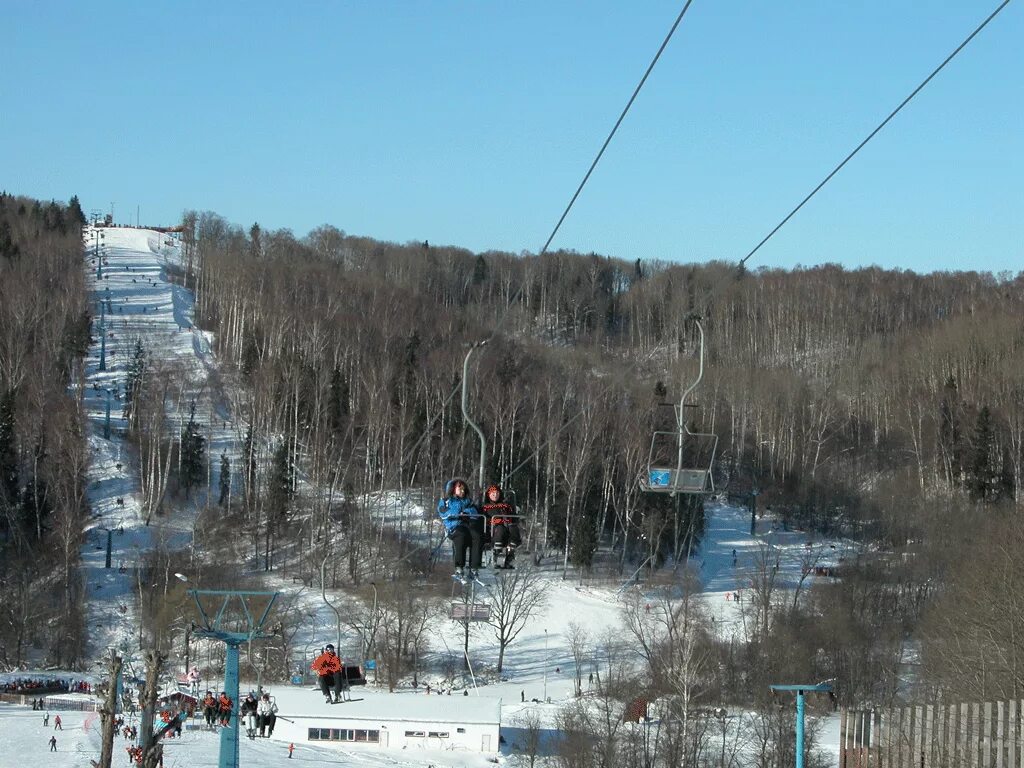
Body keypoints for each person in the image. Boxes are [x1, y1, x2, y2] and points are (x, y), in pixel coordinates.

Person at [437, 478, 483, 579]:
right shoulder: (445, 501)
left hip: (467, 526)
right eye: (460, 489)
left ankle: (474, 568)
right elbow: (443, 513)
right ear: (452, 489)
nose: (462, 491)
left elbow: (475, 511)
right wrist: (457, 513)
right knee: (461, 536)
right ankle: (459, 567)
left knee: (477, 537)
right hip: (454, 527)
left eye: (463, 489)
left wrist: (467, 513)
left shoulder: (468, 501)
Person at [481, 483, 521, 569]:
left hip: (508, 528)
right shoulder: (486, 507)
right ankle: (497, 553)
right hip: (494, 530)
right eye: (493, 494)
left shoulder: (505, 506)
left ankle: (510, 554)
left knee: (513, 528)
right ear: (489, 495)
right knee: (500, 528)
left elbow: (513, 517)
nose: (495, 495)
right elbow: (486, 519)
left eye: (497, 493)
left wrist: (513, 517)